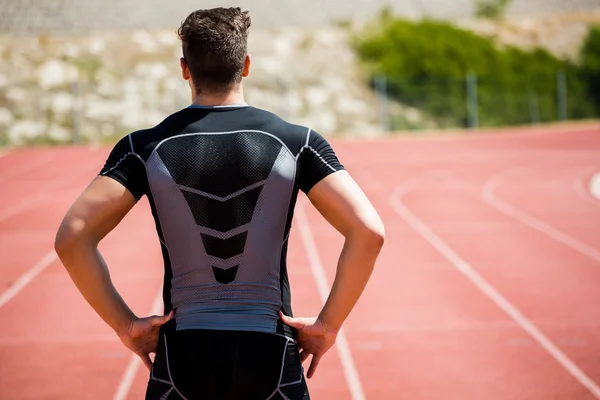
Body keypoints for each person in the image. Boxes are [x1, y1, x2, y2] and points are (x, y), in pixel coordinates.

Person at [54, 7, 384, 400]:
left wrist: (125, 326)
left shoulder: (144, 147)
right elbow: (368, 231)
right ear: (245, 65)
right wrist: (328, 326)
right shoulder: (298, 143)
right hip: (271, 356)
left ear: (184, 68)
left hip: (182, 357)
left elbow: (72, 237)